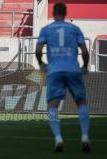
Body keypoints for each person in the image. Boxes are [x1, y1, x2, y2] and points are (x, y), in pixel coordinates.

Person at [35, 2, 90, 152]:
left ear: (53, 13)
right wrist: (85, 66)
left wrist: (41, 63)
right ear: (65, 13)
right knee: (81, 102)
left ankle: (58, 138)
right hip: (73, 69)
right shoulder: (74, 29)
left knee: (52, 106)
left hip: (54, 71)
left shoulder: (46, 29)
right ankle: (85, 136)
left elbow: (38, 49)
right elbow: (84, 51)